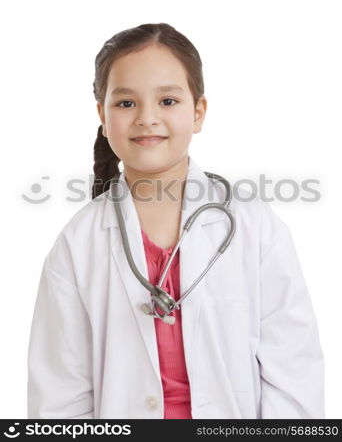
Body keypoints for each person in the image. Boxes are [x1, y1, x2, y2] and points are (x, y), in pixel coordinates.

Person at [27, 22, 325, 419]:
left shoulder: (256, 228)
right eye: (126, 103)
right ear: (102, 114)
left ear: (198, 112)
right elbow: (58, 398)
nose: (147, 118)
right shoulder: (76, 245)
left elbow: (295, 376)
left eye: (167, 101)